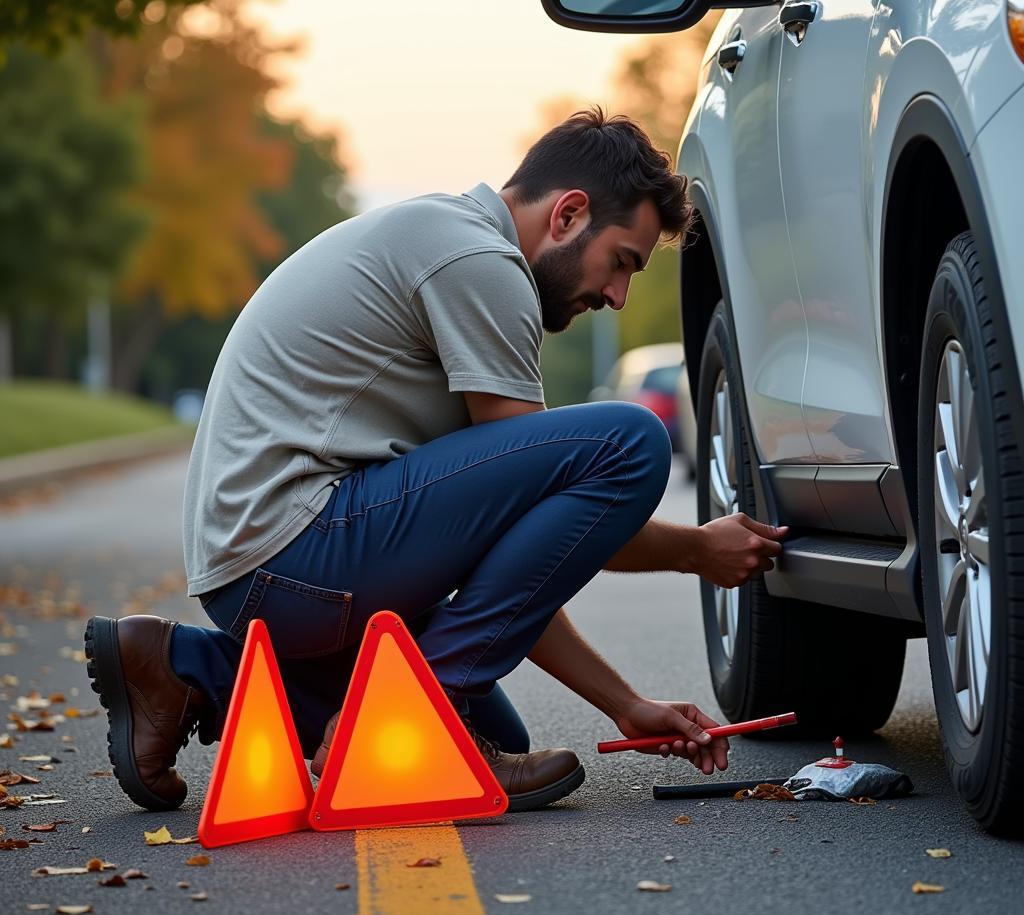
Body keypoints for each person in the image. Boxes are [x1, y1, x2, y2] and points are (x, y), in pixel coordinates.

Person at [84, 108, 786, 814]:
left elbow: (526, 558)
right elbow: (575, 506)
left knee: (491, 727)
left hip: (270, 571)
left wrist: (624, 705)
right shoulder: (479, 262)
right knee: (629, 443)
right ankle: (420, 705)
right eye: (623, 262)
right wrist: (696, 550)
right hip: (297, 552)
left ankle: (182, 669)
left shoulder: (447, 241)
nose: (616, 295)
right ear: (569, 214)